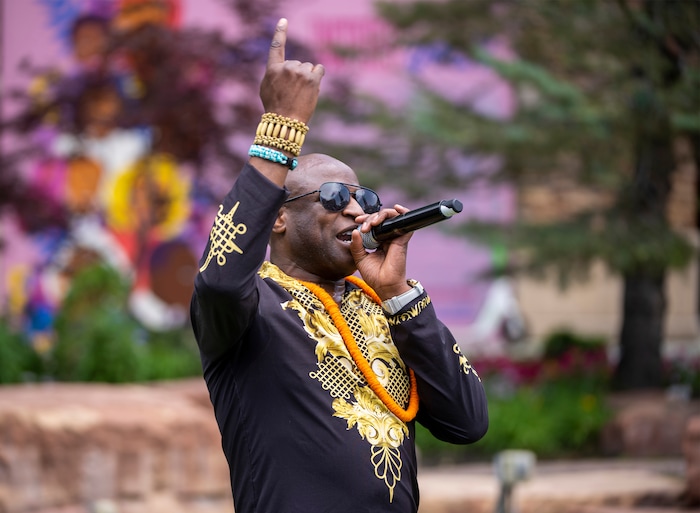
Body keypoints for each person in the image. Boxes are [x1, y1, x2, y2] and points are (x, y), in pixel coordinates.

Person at [190, 18, 488, 513]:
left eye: (362, 197)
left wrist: (397, 296)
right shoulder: (250, 307)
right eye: (332, 197)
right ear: (279, 218)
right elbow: (219, 281)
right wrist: (281, 128)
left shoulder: (386, 308)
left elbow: (467, 423)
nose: (355, 209)